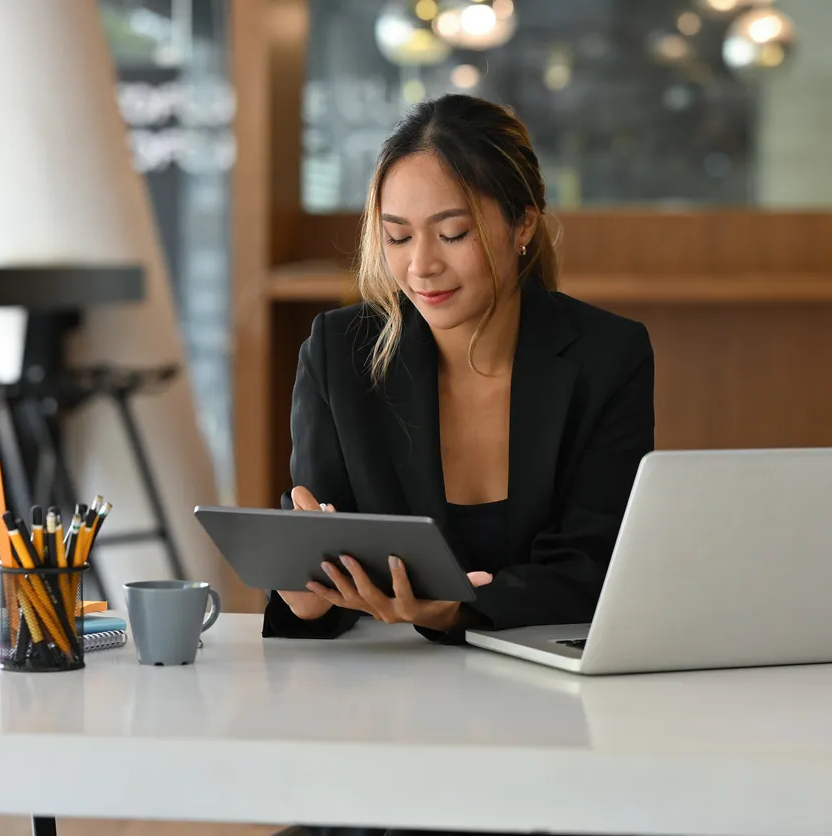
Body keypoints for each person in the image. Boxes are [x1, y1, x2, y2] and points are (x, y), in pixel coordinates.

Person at [263, 93, 655, 645]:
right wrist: (304, 596)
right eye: (397, 236)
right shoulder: (339, 351)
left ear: (522, 224)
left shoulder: (607, 354)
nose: (420, 266)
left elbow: (597, 568)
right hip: (389, 696)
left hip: (551, 687)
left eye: (453, 233)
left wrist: (458, 611)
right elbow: (331, 570)